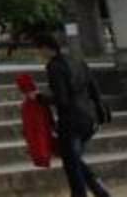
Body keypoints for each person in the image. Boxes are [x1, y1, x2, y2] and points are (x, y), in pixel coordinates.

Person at [33, 33, 112, 197]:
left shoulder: (54, 67)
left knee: (71, 163)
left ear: (46, 49)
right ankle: (98, 189)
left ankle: (82, 193)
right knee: (73, 158)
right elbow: (93, 87)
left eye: (39, 50)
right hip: (89, 117)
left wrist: (40, 98)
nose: (39, 54)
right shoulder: (77, 61)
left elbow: (62, 99)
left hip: (71, 120)